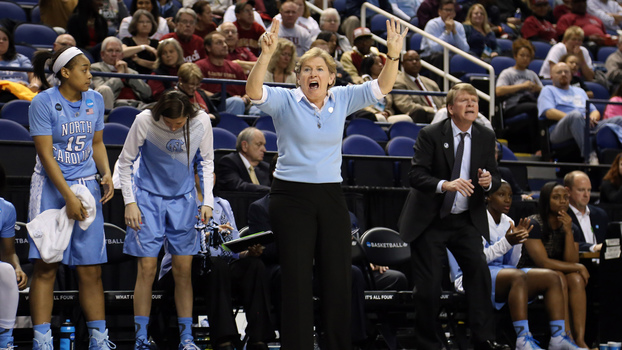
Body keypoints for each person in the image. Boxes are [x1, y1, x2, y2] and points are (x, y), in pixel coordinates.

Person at [246, 17, 408, 350]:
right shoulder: (285, 101)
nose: (313, 74)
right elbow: (252, 92)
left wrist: (393, 57)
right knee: (297, 278)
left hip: (331, 195)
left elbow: (383, 87)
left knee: (339, 276)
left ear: (332, 77)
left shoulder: (343, 98)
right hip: (291, 196)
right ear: (298, 77)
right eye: (306, 69)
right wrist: (265, 55)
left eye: (320, 69)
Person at [398, 82, 508, 350]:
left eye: (474, 100)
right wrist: (444, 185)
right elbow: (415, 175)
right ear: (450, 108)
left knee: (480, 274)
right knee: (429, 287)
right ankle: (429, 343)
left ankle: (483, 340)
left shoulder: (485, 135)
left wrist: (487, 182)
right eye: (464, 100)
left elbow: (494, 178)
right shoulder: (431, 134)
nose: (471, 104)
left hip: (464, 219)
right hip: (431, 220)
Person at [28, 46, 115, 350]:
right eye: (84, 69)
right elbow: (45, 155)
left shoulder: (95, 99)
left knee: (91, 268)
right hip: (52, 189)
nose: (90, 75)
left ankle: (99, 340)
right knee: (46, 265)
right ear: (65, 72)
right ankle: (41, 340)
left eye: (90, 69)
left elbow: (98, 142)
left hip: (86, 186)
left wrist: (106, 173)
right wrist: (67, 196)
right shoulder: (42, 102)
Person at [117, 90, 214, 350]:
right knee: (147, 271)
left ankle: (186, 338)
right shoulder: (144, 121)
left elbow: (206, 163)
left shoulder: (201, 121)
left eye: (178, 123)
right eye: (169, 123)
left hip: (183, 200)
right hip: (147, 199)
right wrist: (130, 202)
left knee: (183, 271)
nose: (173, 127)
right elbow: (124, 163)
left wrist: (207, 201)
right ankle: (140, 338)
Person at [449, 181, 584, 350]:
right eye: (501, 195)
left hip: (501, 273)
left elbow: (511, 264)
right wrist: (506, 242)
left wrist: (518, 242)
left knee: (553, 276)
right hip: (470, 276)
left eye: (510, 195)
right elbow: (475, 261)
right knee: (518, 276)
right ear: (488, 197)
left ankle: (558, 337)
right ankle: (523, 339)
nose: (507, 200)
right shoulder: (473, 220)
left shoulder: (508, 221)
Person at [159, 182, 274, 350]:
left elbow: (233, 247)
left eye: (211, 171)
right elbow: (172, 245)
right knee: (216, 265)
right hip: (185, 269)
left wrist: (248, 252)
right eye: (202, 170)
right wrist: (206, 236)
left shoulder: (222, 204)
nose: (208, 176)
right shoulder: (178, 203)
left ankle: (258, 339)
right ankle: (224, 340)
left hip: (220, 268)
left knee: (254, 266)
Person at [517, 182, 591, 349]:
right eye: (556, 198)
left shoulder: (570, 226)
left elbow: (571, 261)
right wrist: (578, 267)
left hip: (556, 273)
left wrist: (568, 232)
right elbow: (542, 262)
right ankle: (564, 337)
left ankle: (579, 340)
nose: (562, 201)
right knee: (560, 277)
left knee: (576, 280)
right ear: (546, 200)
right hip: (528, 275)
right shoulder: (533, 223)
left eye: (565, 197)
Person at [538, 62, 622, 162]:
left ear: (571, 75)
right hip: (559, 129)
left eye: (566, 72)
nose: (563, 74)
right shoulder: (548, 90)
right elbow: (549, 112)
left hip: (586, 123)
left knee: (619, 120)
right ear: (551, 76)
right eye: (559, 72)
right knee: (575, 116)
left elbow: (594, 111)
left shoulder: (580, 91)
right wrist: (576, 118)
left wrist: (593, 117)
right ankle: (590, 156)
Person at [495, 38, 542, 152]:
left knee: (541, 108)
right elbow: (498, 91)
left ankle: (542, 147)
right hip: (512, 106)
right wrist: (522, 86)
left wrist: (536, 88)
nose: (525, 58)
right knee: (534, 108)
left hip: (529, 102)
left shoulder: (532, 74)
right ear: (515, 56)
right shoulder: (508, 72)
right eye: (522, 55)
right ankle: (537, 148)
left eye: (527, 56)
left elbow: (543, 90)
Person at [0, 163, 27, 350]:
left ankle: (4, 340)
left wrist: (17, 267)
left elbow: (9, 253)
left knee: (7, 270)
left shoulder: (6, 209)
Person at [91, 36, 152, 109]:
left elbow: (147, 93)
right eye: (110, 50)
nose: (114, 54)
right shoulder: (95, 68)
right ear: (102, 54)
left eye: (117, 51)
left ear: (122, 55)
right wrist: (119, 75)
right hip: (113, 105)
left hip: (137, 106)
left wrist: (128, 75)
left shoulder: (131, 71)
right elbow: (101, 91)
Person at [196, 31, 248, 116]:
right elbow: (197, 90)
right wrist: (221, 98)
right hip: (211, 105)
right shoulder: (199, 66)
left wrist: (246, 98)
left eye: (225, 42)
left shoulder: (236, 67)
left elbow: (248, 90)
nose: (224, 45)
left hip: (238, 103)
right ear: (208, 48)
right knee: (236, 102)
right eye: (219, 43)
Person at [420, 0, 469, 87]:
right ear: (439, 12)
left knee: (469, 56)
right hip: (429, 58)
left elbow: (465, 49)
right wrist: (447, 32)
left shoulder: (458, 26)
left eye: (451, 10)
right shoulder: (432, 25)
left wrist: (454, 32)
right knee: (440, 57)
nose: (449, 13)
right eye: (446, 10)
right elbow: (434, 49)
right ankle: (439, 90)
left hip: (450, 58)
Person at [391, 50, 444, 123]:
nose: (414, 62)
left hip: (440, 115)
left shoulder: (430, 82)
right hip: (423, 116)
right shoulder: (398, 81)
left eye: (417, 59)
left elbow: (444, 101)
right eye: (410, 60)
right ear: (402, 64)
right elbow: (405, 105)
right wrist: (434, 111)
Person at [564, 171, 608, 252]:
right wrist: (594, 248)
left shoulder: (600, 215)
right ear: (567, 191)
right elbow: (566, 245)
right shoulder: (563, 215)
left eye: (589, 190)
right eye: (581, 190)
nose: (586, 195)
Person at [216, 127, 271, 192]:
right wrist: (270, 190)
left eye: (264, 145)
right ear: (244, 146)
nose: (264, 150)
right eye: (259, 144)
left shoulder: (265, 167)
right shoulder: (228, 162)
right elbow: (238, 186)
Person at [0, 27, 39, 100]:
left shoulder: (20, 58)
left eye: (5, 39)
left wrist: (34, 85)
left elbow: (34, 75)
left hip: (22, 92)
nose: (1, 41)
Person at [121, 9, 159, 75]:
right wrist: (144, 47)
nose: (145, 25)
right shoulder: (127, 41)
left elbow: (158, 65)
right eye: (141, 22)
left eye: (148, 22)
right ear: (135, 24)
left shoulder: (156, 43)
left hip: (151, 77)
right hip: (131, 76)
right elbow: (122, 53)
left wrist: (138, 60)